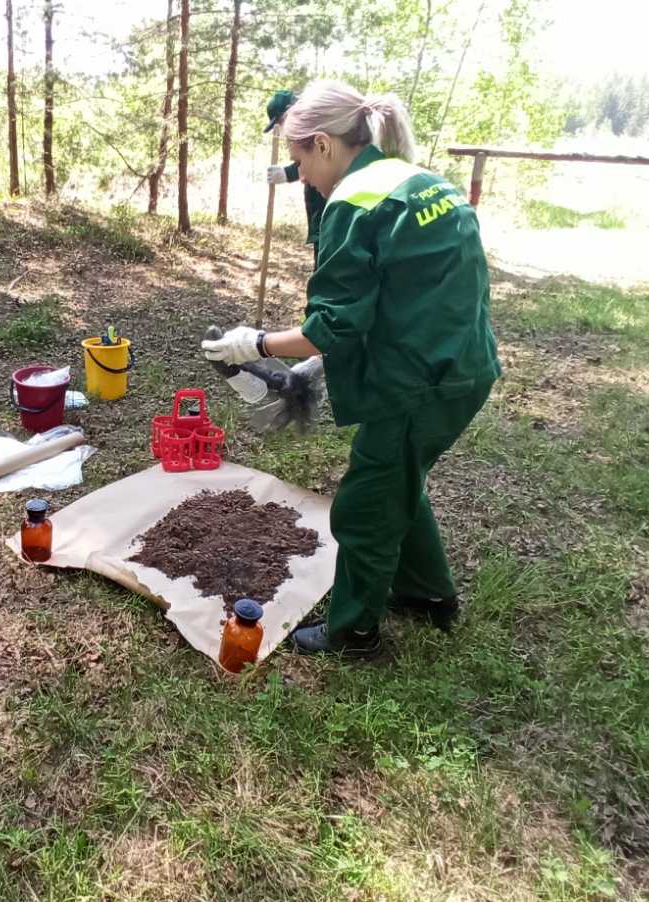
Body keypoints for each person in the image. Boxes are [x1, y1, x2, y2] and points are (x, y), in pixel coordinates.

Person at [202, 81, 501, 656]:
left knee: (365, 507)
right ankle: (427, 594)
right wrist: (322, 366)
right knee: (398, 478)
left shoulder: (353, 201)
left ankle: (354, 633)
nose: (302, 178)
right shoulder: (421, 181)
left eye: (300, 162)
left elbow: (330, 327)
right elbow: (408, 296)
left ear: (322, 144)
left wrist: (253, 344)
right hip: (464, 363)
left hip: (420, 382)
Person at [262, 90, 327, 262]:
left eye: (281, 121)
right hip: (319, 214)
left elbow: (319, 160)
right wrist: (287, 173)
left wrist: (287, 173)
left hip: (328, 213)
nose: (283, 128)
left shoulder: (317, 126)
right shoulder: (305, 130)